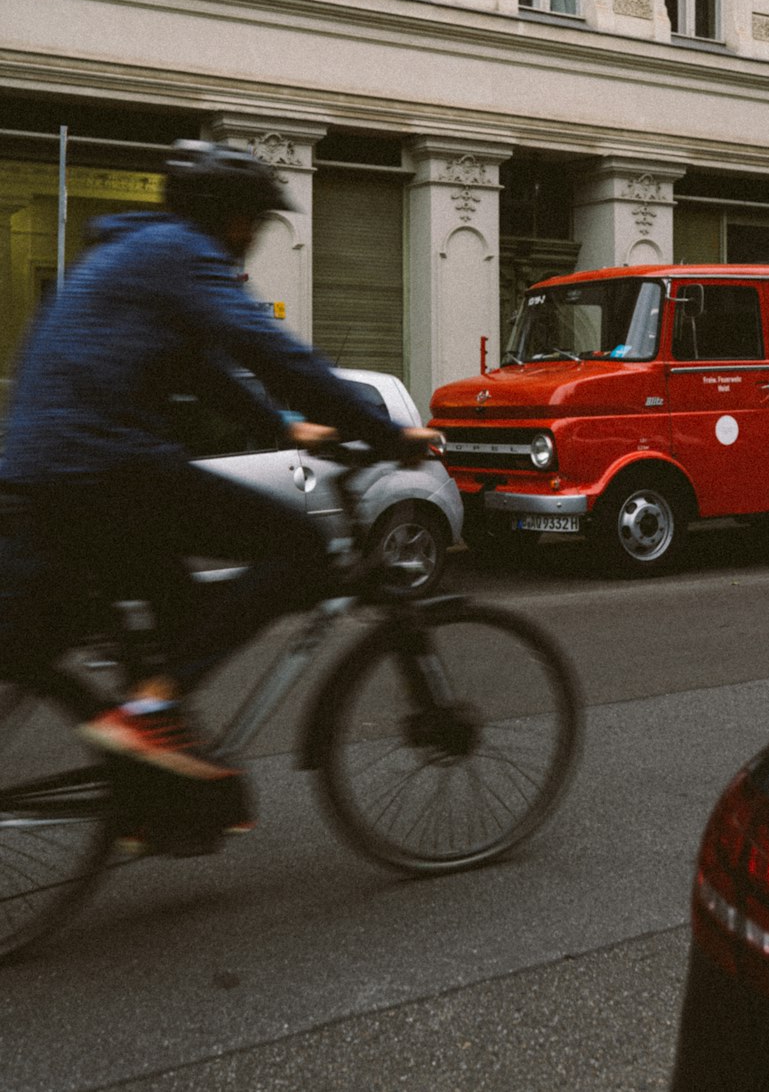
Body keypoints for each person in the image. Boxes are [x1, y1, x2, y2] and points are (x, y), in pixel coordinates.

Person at [0, 139, 441, 824]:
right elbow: (267, 349)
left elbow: (197, 369)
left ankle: (159, 798)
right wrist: (385, 433)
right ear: (232, 219)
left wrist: (282, 427)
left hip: (49, 470)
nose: (254, 238)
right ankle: (151, 714)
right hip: (103, 464)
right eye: (255, 223)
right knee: (298, 548)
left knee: (179, 611)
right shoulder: (183, 254)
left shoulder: (130, 255)